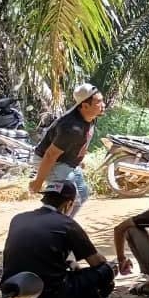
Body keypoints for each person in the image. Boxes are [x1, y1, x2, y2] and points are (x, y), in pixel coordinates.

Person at [2, 180, 115, 298]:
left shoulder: (18, 218)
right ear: (69, 204)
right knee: (107, 272)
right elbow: (96, 262)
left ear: (45, 199)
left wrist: (68, 263)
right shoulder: (67, 224)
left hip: (13, 297)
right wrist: (112, 265)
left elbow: (34, 254)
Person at [30, 83, 105, 217]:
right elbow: (50, 155)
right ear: (85, 106)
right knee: (66, 198)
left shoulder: (91, 117)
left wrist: (78, 158)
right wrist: (38, 181)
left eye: (102, 100)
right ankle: (49, 227)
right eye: (98, 102)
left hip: (66, 162)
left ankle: (63, 225)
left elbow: (83, 139)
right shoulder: (71, 127)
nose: (103, 105)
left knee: (83, 194)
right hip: (50, 161)